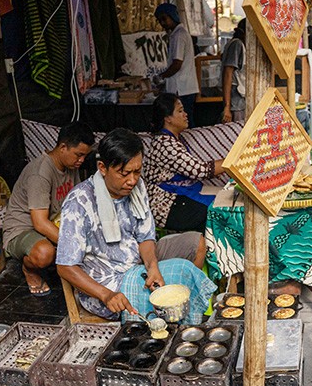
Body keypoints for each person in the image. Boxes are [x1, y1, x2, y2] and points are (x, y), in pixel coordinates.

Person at [56, 128, 216, 324]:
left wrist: (153, 266)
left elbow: (145, 236)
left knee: (194, 244)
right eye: (124, 173)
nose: (132, 180)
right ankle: (173, 325)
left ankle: (178, 323)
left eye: (137, 172)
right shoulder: (80, 201)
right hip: (107, 284)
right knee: (180, 270)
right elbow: (65, 266)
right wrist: (106, 295)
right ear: (102, 168)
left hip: (136, 260)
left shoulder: (137, 187)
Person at [4, 122, 95, 296]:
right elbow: (39, 223)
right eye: (78, 155)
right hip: (23, 230)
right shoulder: (40, 173)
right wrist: (73, 244)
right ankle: (29, 269)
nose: (81, 161)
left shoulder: (71, 165)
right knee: (45, 253)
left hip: (52, 223)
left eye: (85, 156)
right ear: (63, 147)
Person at [145, 93, 225, 233]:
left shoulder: (174, 140)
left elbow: (192, 168)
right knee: (219, 213)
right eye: (180, 111)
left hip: (181, 195)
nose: (185, 115)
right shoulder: (164, 144)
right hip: (167, 205)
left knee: (225, 202)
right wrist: (231, 163)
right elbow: (199, 170)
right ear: (168, 118)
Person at [154, 3, 199, 128]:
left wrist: (161, 76)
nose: (163, 23)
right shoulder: (176, 34)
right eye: (160, 20)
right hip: (183, 87)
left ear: (173, 16)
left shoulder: (179, 35)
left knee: (184, 123)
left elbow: (177, 64)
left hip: (183, 88)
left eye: (164, 19)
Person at [221, 18, 246, 123]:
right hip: (236, 102)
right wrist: (227, 107)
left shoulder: (238, 45)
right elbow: (228, 74)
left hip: (240, 101)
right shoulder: (237, 45)